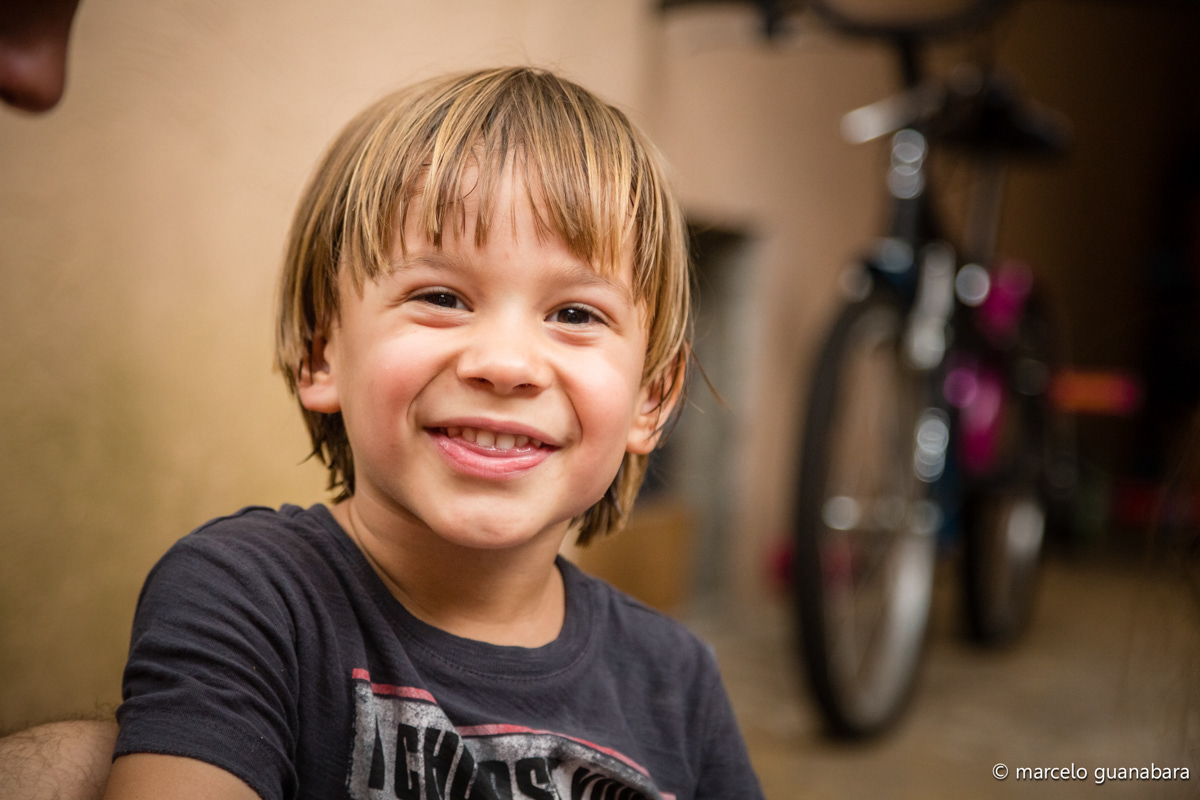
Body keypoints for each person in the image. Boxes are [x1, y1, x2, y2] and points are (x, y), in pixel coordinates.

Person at [93, 67, 763, 799]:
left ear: (651, 398)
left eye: (575, 314)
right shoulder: (249, 597)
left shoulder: (677, 679)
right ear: (322, 354)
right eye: (441, 297)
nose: (505, 364)